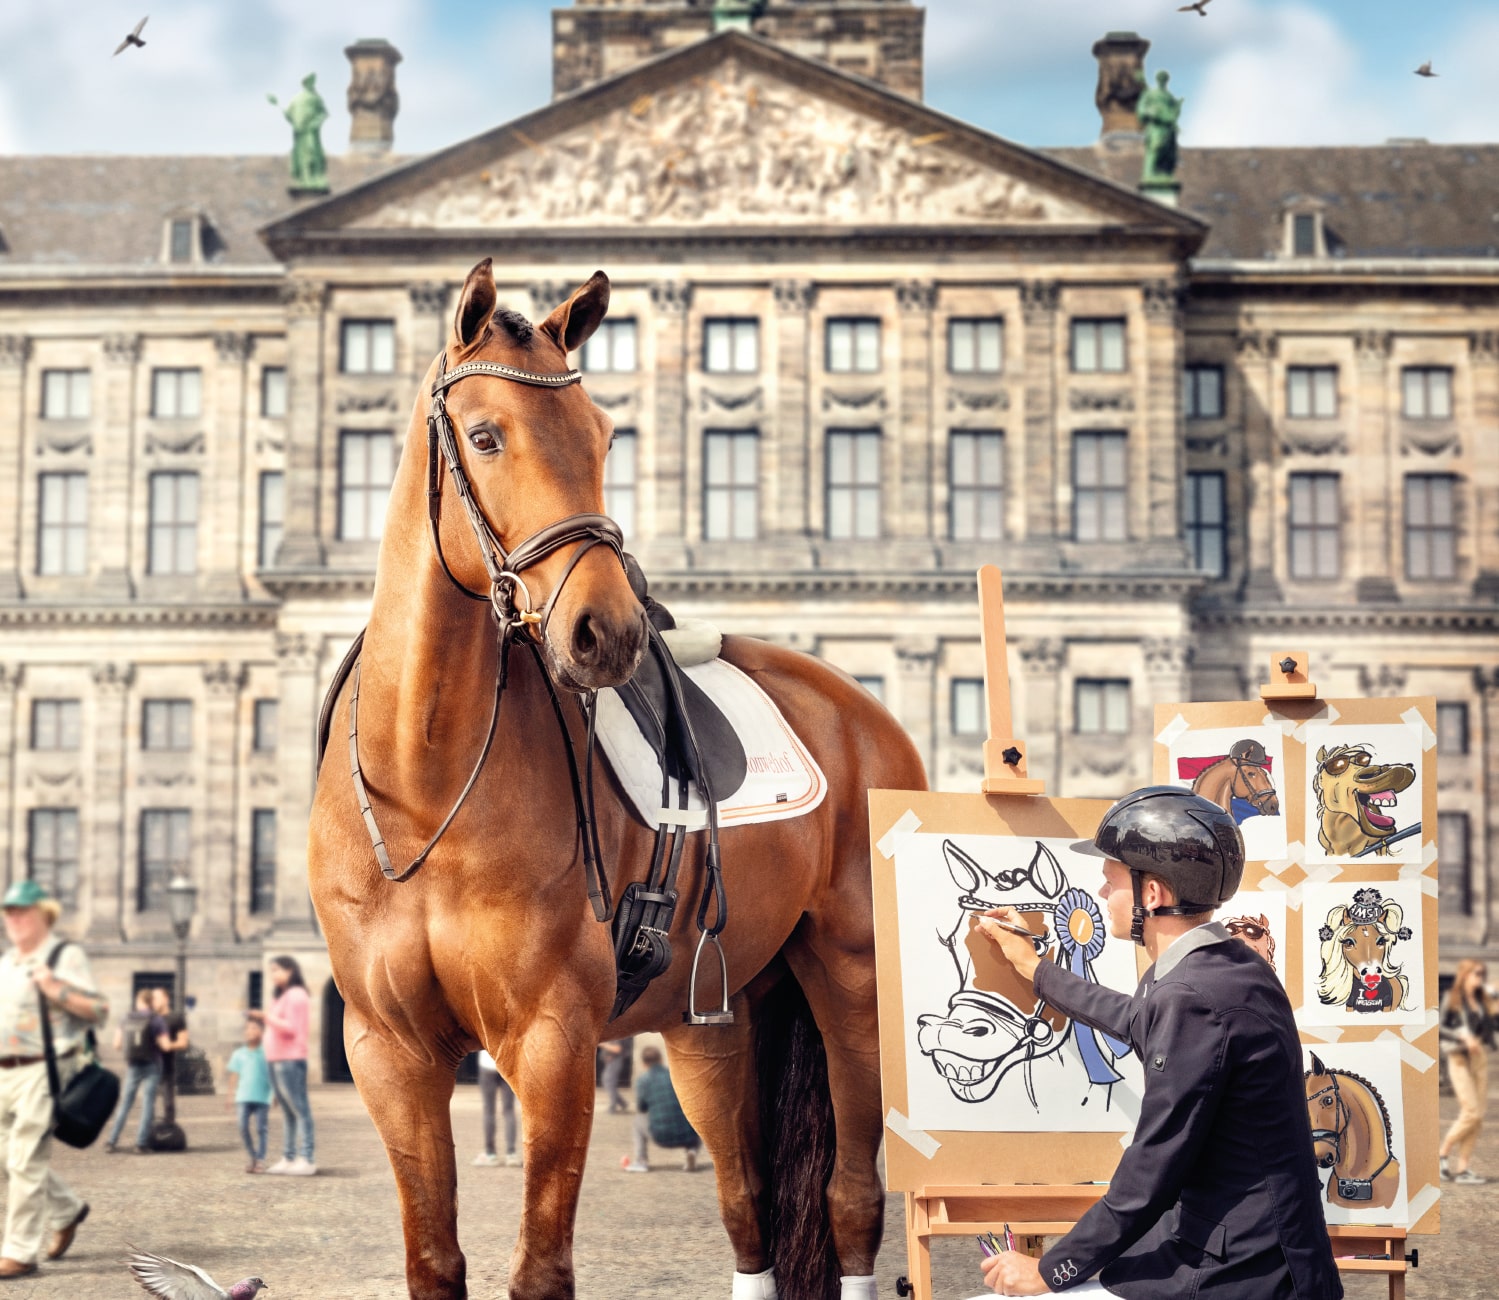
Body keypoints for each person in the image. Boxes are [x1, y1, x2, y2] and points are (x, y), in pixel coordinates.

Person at [973, 787, 1341, 1298]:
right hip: (1251, 1251)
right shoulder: (1228, 967)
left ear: (1152, 894)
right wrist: (1034, 967)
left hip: (1240, 1275)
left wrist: (1046, 1269)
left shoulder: (1192, 994)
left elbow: (1151, 1170)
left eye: (1111, 881)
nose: (1102, 895)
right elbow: (1133, 1017)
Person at [0, 880, 107, 1279]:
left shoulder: (65, 955)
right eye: (9, 912)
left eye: (22, 911)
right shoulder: (7, 962)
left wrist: (53, 988)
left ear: (44, 915)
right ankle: (67, 1208)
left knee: (26, 1159)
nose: (13, 919)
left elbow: (97, 1010)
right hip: (4, 1071)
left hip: (43, 1070)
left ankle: (20, 1252)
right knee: (7, 1158)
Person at [246, 955, 315, 1176]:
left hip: (290, 1059)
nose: (273, 974)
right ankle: (288, 1157)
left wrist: (266, 1017)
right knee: (287, 1112)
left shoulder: (296, 995)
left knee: (299, 1109)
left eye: (277, 970)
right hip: (276, 1058)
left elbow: (291, 1028)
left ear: (290, 971)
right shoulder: (281, 997)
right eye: (271, 971)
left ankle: (307, 1158)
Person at [1439, 958, 1496, 1185]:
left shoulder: (1482, 1000)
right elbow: (1441, 1026)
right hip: (1459, 1056)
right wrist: (1461, 1036)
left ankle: (1462, 1169)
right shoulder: (1451, 999)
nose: (1479, 978)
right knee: (1471, 1111)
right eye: (1476, 974)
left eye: (1482, 974)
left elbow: (1492, 1024)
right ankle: (1443, 1152)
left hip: (1478, 1057)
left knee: (1478, 1118)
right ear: (1464, 975)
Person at [104, 988, 171, 1154]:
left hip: (133, 1065)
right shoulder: (157, 1020)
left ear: (138, 1001)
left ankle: (111, 1141)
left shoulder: (126, 1018)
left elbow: (117, 1044)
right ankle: (140, 1144)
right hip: (152, 1065)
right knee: (148, 1104)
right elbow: (166, 1046)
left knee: (126, 1103)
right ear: (151, 1002)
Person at [622, 1045, 702, 1173]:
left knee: (638, 1121)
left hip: (661, 1137)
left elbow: (642, 1108)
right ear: (661, 1060)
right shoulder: (677, 1075)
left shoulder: (643, 1080)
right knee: (696, 1117)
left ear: (644, 1064)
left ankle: (641, 1161)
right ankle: (691, 1150)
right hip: (688, 1135)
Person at [225, 1017, 274, 1175]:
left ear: (261, 1031)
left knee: (261, 1128)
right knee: (242, 1126)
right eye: (247, 1029)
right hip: (243, 1096)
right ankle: (252, 1156)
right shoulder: (239, 1053)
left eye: (254, 1028)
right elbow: (234, 1076)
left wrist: (275, 1094)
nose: (250, 1031)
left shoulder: (267, 1053)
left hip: (262, 1096)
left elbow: (273, 1075)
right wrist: (229, 1096)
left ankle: (260, 1160)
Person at [471, 1050, 521, 1168]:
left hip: (487, 1063)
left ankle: (490, 1154)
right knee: (509, 1110)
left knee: (489, 1110)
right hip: (508, 1063)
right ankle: (511, 1154)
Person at [600, 1035, 633, 1114]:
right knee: (608, 1082)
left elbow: (617, 1049)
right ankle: (623, 1103)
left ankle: (613, 1106)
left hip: (615, 1061)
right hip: (612, 1061)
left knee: (609, 1083)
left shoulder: (617, 1035)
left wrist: (603, 1045)